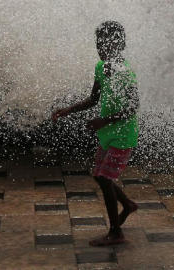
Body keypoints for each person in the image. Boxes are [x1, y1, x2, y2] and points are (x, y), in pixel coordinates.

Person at [51, 20, 140, 246]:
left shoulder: (125, 72)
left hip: (123, 135)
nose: (100, 48)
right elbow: (93, 99)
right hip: (108, 133)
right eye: (98, 43)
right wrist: (68, 109)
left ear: (119, 45)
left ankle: (116, 232)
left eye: (105, 44)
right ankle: (128, 205)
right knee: (100, 176)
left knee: (104, 177)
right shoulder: (101, 68)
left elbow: (133, 107)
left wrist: (103, 121)